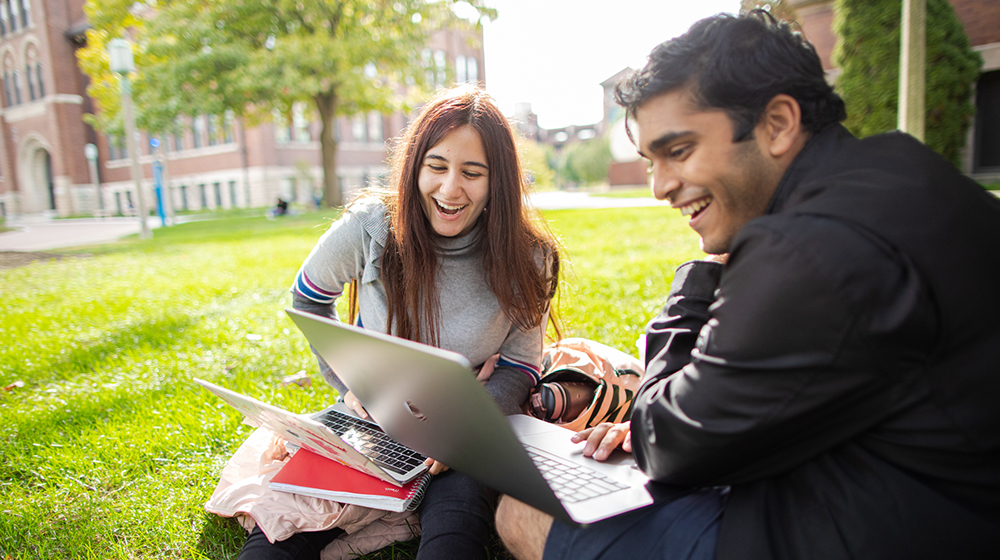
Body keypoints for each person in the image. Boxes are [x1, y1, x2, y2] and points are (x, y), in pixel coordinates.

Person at [495, 10, 1000, 560]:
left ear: (779, 123)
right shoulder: (904, 168)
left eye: (679, 151)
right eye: (650, 162)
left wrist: (702, 272)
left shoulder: (805, 249)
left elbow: (666, 441)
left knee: (526, 510)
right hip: (934, 495)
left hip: (885, 527)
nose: (662, 186)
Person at [239, 85, 559, 559]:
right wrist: (354, 384)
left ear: (499, 182)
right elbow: (308, 299)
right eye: (437, 167)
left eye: (472, 173)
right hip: (369, 420)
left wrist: (466, 428)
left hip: (463, 437)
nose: (450, 189)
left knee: (454, 535)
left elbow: (521, 365)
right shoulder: (370, 226)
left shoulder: (529, 257)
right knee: (276, 539)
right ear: (415, 166)